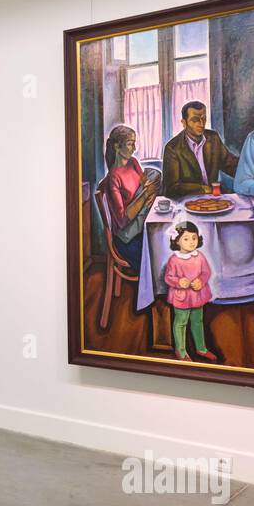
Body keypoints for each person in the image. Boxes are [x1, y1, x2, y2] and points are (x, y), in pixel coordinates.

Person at [99, 124, 160, 272]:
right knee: (156, 260)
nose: (134, 148)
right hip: (127, 239)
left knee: (167, 243)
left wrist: (151, 194)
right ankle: (153, 294)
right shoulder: (113, 177)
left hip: (142, 227)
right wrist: (146, 194)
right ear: (117, 147)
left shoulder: (133, 163)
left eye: (134, 143)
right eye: (130, 144)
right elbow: (122, 220)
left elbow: (144, 184)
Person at [160, 100, 239, 198]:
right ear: (184, 123)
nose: (201, 124)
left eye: (204, 118)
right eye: (195, 120)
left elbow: (230, 164)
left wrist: (252, 172)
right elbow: (172, 188)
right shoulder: (172, 148)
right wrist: (202, 189)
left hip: (213, 198)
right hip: (185, 202)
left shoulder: (213, 138)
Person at [163, 221, 216, 362]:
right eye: (186, 239)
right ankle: (180, 351)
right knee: (181, 322)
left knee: (197, 321)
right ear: (177, 241)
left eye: (194, 238)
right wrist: (178, 282)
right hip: (181, 297)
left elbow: (206, 272)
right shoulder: (174, 260)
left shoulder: (199, 256)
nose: (191, 242)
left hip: (197, 295)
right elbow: (168, 277)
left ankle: (201, 348)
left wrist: (201, 281)